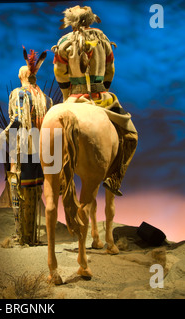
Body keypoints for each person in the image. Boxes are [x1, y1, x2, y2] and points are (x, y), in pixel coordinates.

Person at [51, 5, 138, 196]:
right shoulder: (103, 39)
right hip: (100, 98)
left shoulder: (63, 42)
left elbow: (59, 72)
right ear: (90, 20)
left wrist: (67, 95)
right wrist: (103, 90)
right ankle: (114, 178)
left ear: (71, 21)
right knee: (131, 135)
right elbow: (110, 70)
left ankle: (56, 178)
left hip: (73, 98)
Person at [0, 47, 52, 245]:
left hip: (22, 149)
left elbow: (19, 118)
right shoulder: (47, 99)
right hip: (42, 151)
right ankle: (32, 237)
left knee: (17, 184)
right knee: (34, 189)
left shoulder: (18, 93)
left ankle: (22, 236)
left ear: (22, 75)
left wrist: (3, 134)